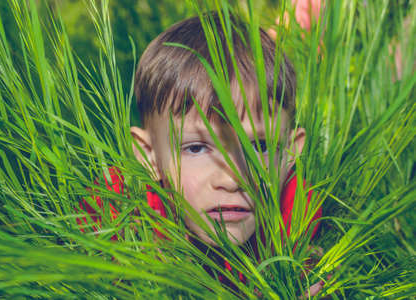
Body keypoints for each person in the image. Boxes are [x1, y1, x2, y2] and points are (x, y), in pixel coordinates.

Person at [77, 5, 323, 295]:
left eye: (259, 146)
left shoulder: (295, 213)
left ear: (290, 153)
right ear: (149, 155)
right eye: (196, 148)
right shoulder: (115, 216)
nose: (232, 180)